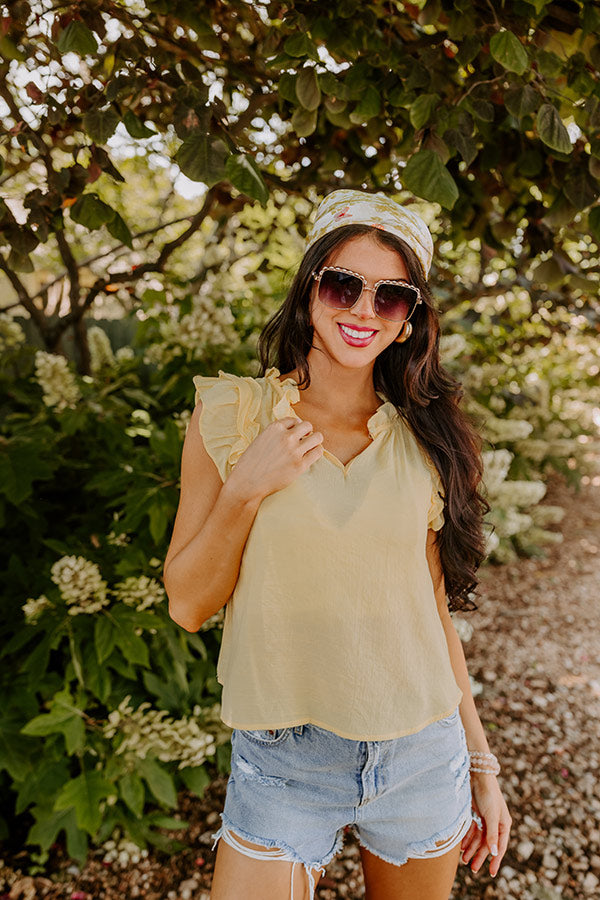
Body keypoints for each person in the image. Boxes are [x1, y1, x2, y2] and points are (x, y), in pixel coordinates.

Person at [163, 189, 512, 900]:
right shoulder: (232, 415)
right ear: (310, 288)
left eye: (389, 297)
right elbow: (187, 603)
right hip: (285, 762)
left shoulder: (429, 436)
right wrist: (246, 488)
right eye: (344, 284)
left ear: (410, 320)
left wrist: (482, 764)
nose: (361, 310)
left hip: (421, 749)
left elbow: (434, 615)